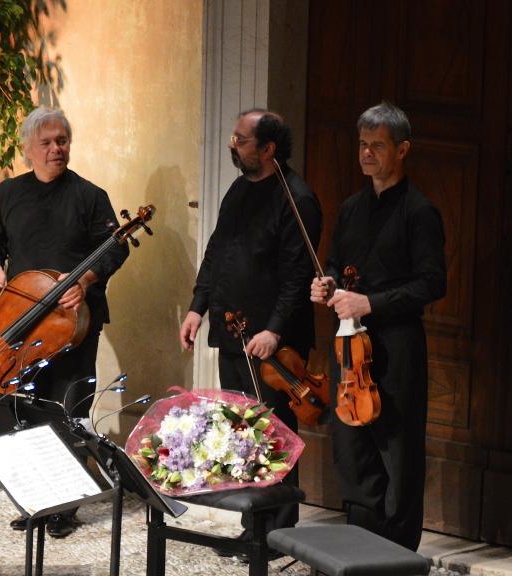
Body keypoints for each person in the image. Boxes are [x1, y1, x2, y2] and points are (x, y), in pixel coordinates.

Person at [0, 106, 130, 538]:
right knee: (24, 408)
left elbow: (114, 248)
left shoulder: (89, 195)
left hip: (73, 321)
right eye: (45, 142)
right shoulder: (9, 193)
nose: (56, 149)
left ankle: (66, 505)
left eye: (62, 140)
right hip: (23, 319)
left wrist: (83, 280)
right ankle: (37, 501)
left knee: (67, 407)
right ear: (28, 150)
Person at [309, 102, 446, 551]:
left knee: (397, 454)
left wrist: (372, 302)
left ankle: (397, 557)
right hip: (349, 348)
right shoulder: (351, 208)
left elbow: (432, 282)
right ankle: (359, 550)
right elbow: (336, 263)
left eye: (378, 146)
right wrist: (326, 283)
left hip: (395, 347)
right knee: (352, 451)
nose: (367, 153)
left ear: (402, 149)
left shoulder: (420, 211)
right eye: (363, 145)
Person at [179, 109, 320, 539]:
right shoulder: (239, 190)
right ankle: (252, 527)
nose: (231, 145)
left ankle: (279, 530)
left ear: (268, 148)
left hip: (275, 341)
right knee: (242, 429)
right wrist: (197, 307)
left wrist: (274, 329)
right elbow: (217, 253)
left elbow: (299, 275)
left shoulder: (297, 198)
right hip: (233, 329)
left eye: (240, 140)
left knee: (274, 430)